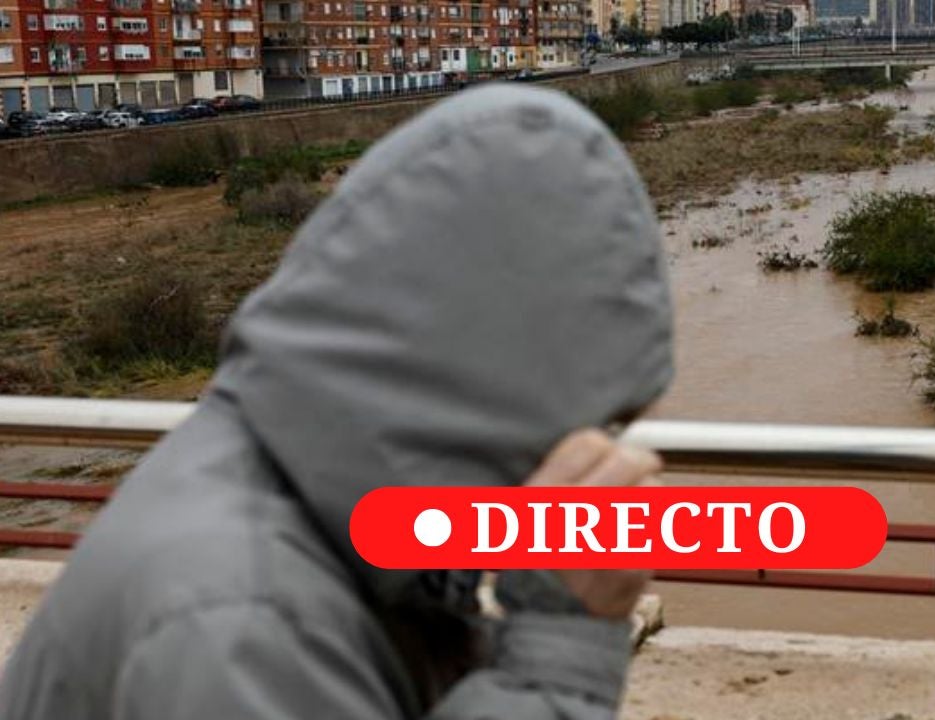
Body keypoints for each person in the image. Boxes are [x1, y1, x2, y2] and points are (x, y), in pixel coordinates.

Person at [0, 84, 673, 719]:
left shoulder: (300, 477)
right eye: (595, 413)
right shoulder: (246, 622)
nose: (595, 442)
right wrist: (559, 650)